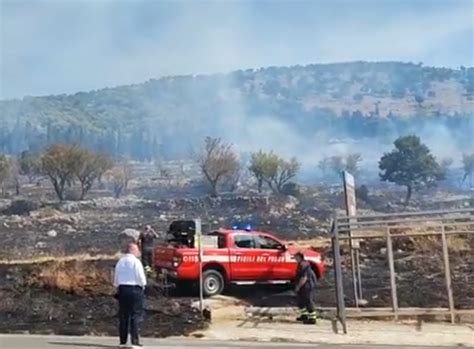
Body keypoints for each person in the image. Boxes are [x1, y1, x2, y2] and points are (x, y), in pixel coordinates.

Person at [114, 243, 147, 347]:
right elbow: (140, 276)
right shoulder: (136, 262)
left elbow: (116, 276)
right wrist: (143, 285)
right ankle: (134, 341)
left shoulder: (120, 261)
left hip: (122, 289)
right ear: (133, 250)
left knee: (123, 316)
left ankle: (123, 341)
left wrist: (117, 286)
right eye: (137, 250)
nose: (138, 252)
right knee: (135, 315)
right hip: (135, 289)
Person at [294, 251, 318, 325]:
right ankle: (304, 315)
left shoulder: (303, 265)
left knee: (308, 301)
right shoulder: (302, 264)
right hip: (304, 286)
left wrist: (298, 286)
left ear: (299, 257)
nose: (295, 259)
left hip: (306, 286)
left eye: (296, 257)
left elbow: (303, 278)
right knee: (301, 301)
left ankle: (312, 318)